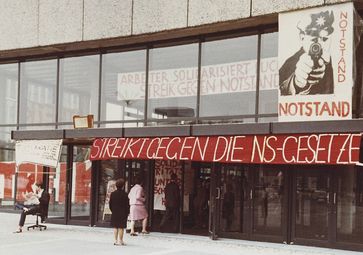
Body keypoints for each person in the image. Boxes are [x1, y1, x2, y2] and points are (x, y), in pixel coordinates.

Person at [279, 10, 335, 96]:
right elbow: (282, 92)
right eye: (313, 40)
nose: (319, 45)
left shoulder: (334, 62)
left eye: (324, 39)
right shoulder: (290, 64)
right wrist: (296, 82)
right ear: (302, 38)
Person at [109, 178, 129, 246]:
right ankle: (121, 241)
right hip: (123, 213)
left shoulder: (113, 194)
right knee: (121, 227)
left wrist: (113, 210)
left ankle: (116, 241)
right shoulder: (125, 194)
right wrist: (127, 212)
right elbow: (127, 205)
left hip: (115, 212)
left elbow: (110, 204)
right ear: (123, 186)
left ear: (116, 185)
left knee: (115, 227)